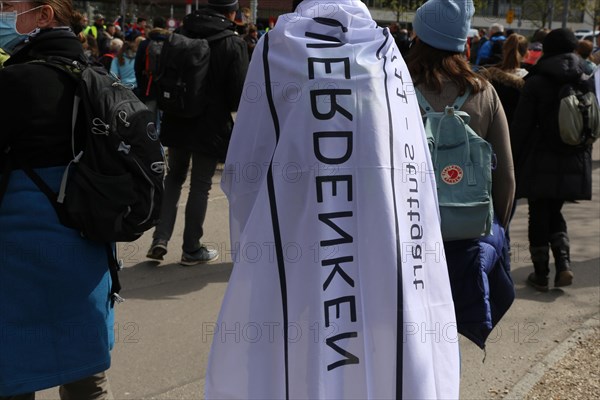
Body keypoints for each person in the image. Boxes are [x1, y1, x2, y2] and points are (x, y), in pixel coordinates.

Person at [206, 0, 460, 398]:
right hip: (386, 241)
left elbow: (245, 169)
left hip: (303, 229)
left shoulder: (279, 49)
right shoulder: (384, 50)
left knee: (308, 348)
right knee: (377, 349)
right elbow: (414, 167)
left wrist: (256, 246)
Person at [0, 1, 115, 398]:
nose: (2, 15)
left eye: (7, 6)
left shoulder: (14, 80)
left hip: (20, 249)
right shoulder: (96, 74)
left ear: (44, 15)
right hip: (88, 241)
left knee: (13, 371)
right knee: (86, 378)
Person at [408, 0, 515, 348]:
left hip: (409, 236)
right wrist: (495, 227)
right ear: (462, 42)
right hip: (466, 237)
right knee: (450, 330)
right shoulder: (484, 93)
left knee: (409, 333)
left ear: (419, 36)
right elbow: (506, 177)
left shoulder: (396, 88)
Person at [145, 0, 249, 265]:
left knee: (174, 178)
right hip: (210, 126)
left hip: (176, 117)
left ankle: (160, 238)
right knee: (200, 186)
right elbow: (238, 95)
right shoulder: (232, 42)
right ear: (231, 12)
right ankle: (191, 248)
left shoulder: (181, 33)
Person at [511, 28, 593, 292]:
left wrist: (510, 159)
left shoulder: (536, 81)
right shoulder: (585, 78)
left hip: (539, 158)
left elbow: (521, 126)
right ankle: (564, 264)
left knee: (538, 213)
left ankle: (541, 273)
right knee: (556, 210)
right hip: (573, 156)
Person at [134, 15, 170, 131]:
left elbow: (137, 67)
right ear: (165, 27)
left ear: (153, 26)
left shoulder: (144, 44)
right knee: (166, 119)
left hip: (148, 85)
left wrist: (141, 87)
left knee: (149, 120)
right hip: (166, 87)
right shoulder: (171, 43)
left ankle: (151, 144)